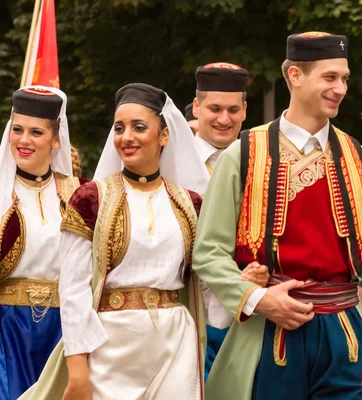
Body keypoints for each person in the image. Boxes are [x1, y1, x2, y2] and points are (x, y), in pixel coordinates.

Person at [193, 32, 362, 400]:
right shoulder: (242, 155)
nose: (340, 88)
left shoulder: (359, 158)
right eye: (330, 77)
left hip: (346, 336)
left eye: (345, 79)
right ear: (294, 76)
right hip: (269, 334)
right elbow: (208, 253)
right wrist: (259, 299)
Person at [20, 83, 207, 400]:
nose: (126, 136)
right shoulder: (91, 198)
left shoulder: (189, 203)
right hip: (109, 347)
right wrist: (78, 371)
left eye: (139, 127)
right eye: (119, 128)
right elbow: (74, 288)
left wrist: (246, 285)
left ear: (164, 135)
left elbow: (205, 283)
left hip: (176, 342)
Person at [0, 86, 83, 400]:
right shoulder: (1, 190)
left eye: (36, 132)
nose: (24, 140)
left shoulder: (77, 194)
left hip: (64, 329)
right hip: (7, 327)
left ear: (56, 139)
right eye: (18, 130)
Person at [191, 62, 270, 381]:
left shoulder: (264, 165)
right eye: (214, 108)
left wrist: (259, 268)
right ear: (197, 107)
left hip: (251, 319)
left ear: (245, 110)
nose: (224, 119)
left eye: (233, 109)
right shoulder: (168, 165)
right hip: (190, 313)